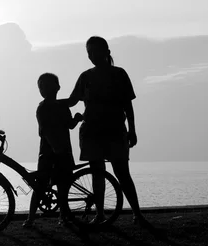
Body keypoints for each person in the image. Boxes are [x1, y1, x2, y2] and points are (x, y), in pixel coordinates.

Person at [67, 36, 148, 226]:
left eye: (95, 51)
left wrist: (132, 130)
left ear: (107, 52)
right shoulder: (85, 77)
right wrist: (51, 102)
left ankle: (137, 213)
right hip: (92, 132)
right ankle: (100, 213)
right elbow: (71, 101)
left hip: (115, 131)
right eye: (89, 52)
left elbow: (127, 105)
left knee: (122, 173)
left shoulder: (119, 74)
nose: (92, 56)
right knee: (97, 173)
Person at [23, 72, 83, 228]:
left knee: (62, 186)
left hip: (59, 152)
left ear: (57, 88)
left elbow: (69, 124)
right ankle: (31, 218)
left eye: (46, 86)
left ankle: (61, 216)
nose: (44, 89)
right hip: (51, 153)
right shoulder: (43, 108)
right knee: (41, 186)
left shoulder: (59, 106)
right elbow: (47, 131)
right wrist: (57, 148)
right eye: (41, 86)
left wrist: (76, 119)